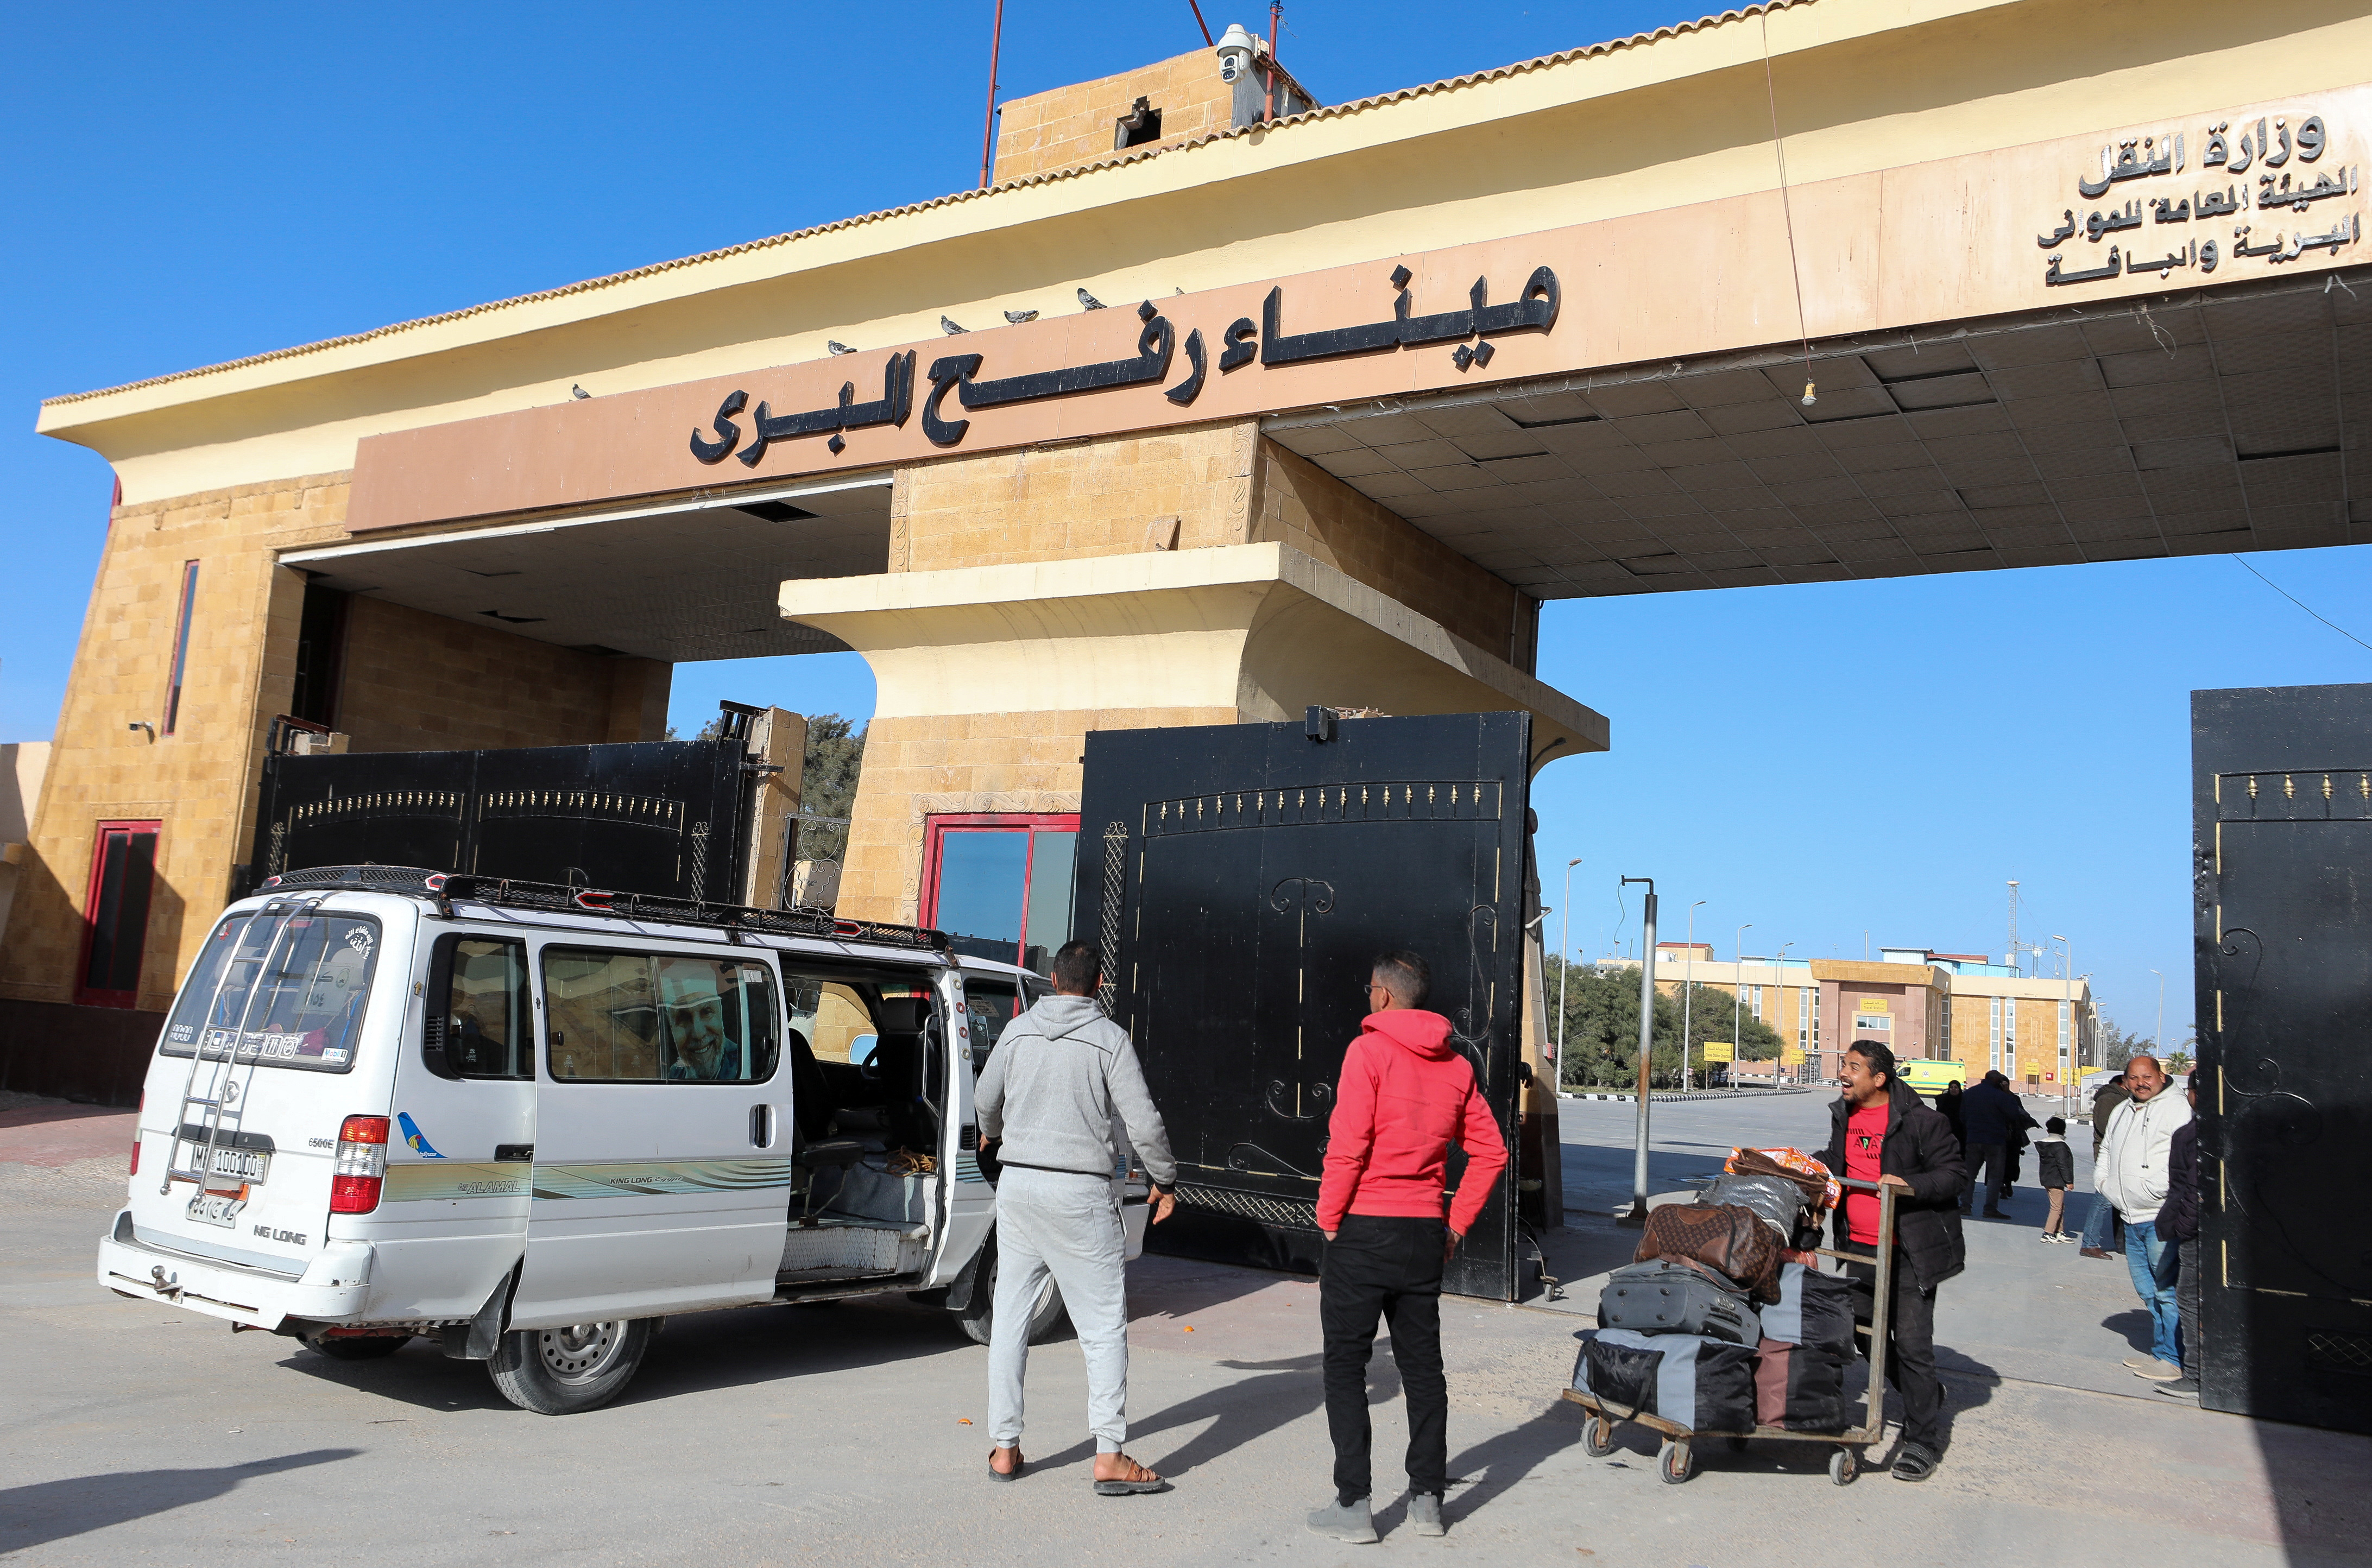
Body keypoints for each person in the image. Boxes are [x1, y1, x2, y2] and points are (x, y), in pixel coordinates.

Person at [1306, 950, 1508, 1544]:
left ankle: (1355, 1506)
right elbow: (1491, 1151)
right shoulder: (1457, 1065)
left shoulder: (1366, 1051)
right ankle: (1427, 1502)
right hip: (1424, 1231)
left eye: (1370, 988)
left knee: (1345, 1364)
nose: (1368, 996)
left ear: (1385, 996)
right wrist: (1456, 1223)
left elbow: (1348, 1143)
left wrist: (1328, 1217)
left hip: (1364, 1227)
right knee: (1424, 1368)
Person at [976, 940, 1179, 1493]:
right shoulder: (1109, 1040)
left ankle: (1005, 1445)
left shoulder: (1018, 1031)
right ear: (1099, 983)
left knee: (1011, 1317)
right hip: (1079, 1192)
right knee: (1102, 1325)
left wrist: (992, 1130)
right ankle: (1109, 1454)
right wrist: (1165, 1179)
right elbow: (1143, 1122)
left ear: (1051, 978)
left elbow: (984, 1096)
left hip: (1019, 1185)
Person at [1822, 1039, 1966, 1482]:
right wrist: (1801, 1167)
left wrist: (1909, 1183)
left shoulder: (1924, 1121)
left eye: (1854, 1067)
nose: (1843, 1073)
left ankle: (1923, 1439)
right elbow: (1837, 1160)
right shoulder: (1843, 1115)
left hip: (1910, 1252)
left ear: (1879, 1079)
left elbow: (1955, 1175)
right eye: (1843, 1065)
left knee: (1911, 1345)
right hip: (1860, 1248)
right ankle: (1925, 1395)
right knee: (1863, 1336)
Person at [2095, 1054, 2193, 1382]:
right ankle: (2162, 1352)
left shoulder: (2177, 1108)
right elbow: (2107, 1149)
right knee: (2148, 1292)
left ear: (2161, 1076)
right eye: (2134, 1078)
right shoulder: (2123, 1109)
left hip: (2159, 1216)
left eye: (2147, 1076)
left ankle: (2175, 1359)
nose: (2141, 1083)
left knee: (2167, 1290)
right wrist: (2105, 1185)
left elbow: (2182, 1159)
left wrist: (2154, 1191)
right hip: (2129, 1216)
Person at [2152, 1077, 2203, 1400]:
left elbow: (2193, 1189)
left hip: (2196, 1234)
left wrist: (2184, 1227)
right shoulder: (2192, 1131)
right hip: (2194, 1229)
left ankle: (2197, 1374)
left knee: (2188, 1296)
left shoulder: (2195, 1134)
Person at [1957, 1070, 2035, 1220]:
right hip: (1995, 1141)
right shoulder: (2000, 1096)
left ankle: (1965, 1206)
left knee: (1970, 1175)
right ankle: (1990, 1209)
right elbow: (2013, 1114)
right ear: (1999, 1082)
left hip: (1974, 1139)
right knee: (1995, 1177)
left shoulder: (1970, 1093)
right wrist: (2007, 1093)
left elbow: (1963, 1116)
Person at [2077, 1072, 2130, 1259]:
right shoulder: (2109, 1100)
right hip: (2110, 1160)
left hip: (2121, 1159)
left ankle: (2123, 1244)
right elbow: (2108, 1130)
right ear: (2122, 1082)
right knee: (2103, 1201)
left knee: (2121, 1202)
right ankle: (2089, 1244)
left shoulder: (2125, 1100)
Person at [2033, 1116, 2076, 1241]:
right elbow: (2063, 1165)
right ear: (2064, 1131)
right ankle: (2048, 1233)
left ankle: (2059, 1231)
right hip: (2056, 1180)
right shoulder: (2060, 1146)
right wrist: (2069, 1182)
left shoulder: (2045, 1144)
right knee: (2056, 1207)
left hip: (2047, 1179)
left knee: (2059, 1205)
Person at [1936, 1080, 1966, 1152]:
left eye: (1956, 1087)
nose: (1954, 1089)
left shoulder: (1963, 1100)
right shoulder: (1944, 1100)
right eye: (1952, 1087)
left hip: (1960, 1130)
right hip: (1947, 1128)